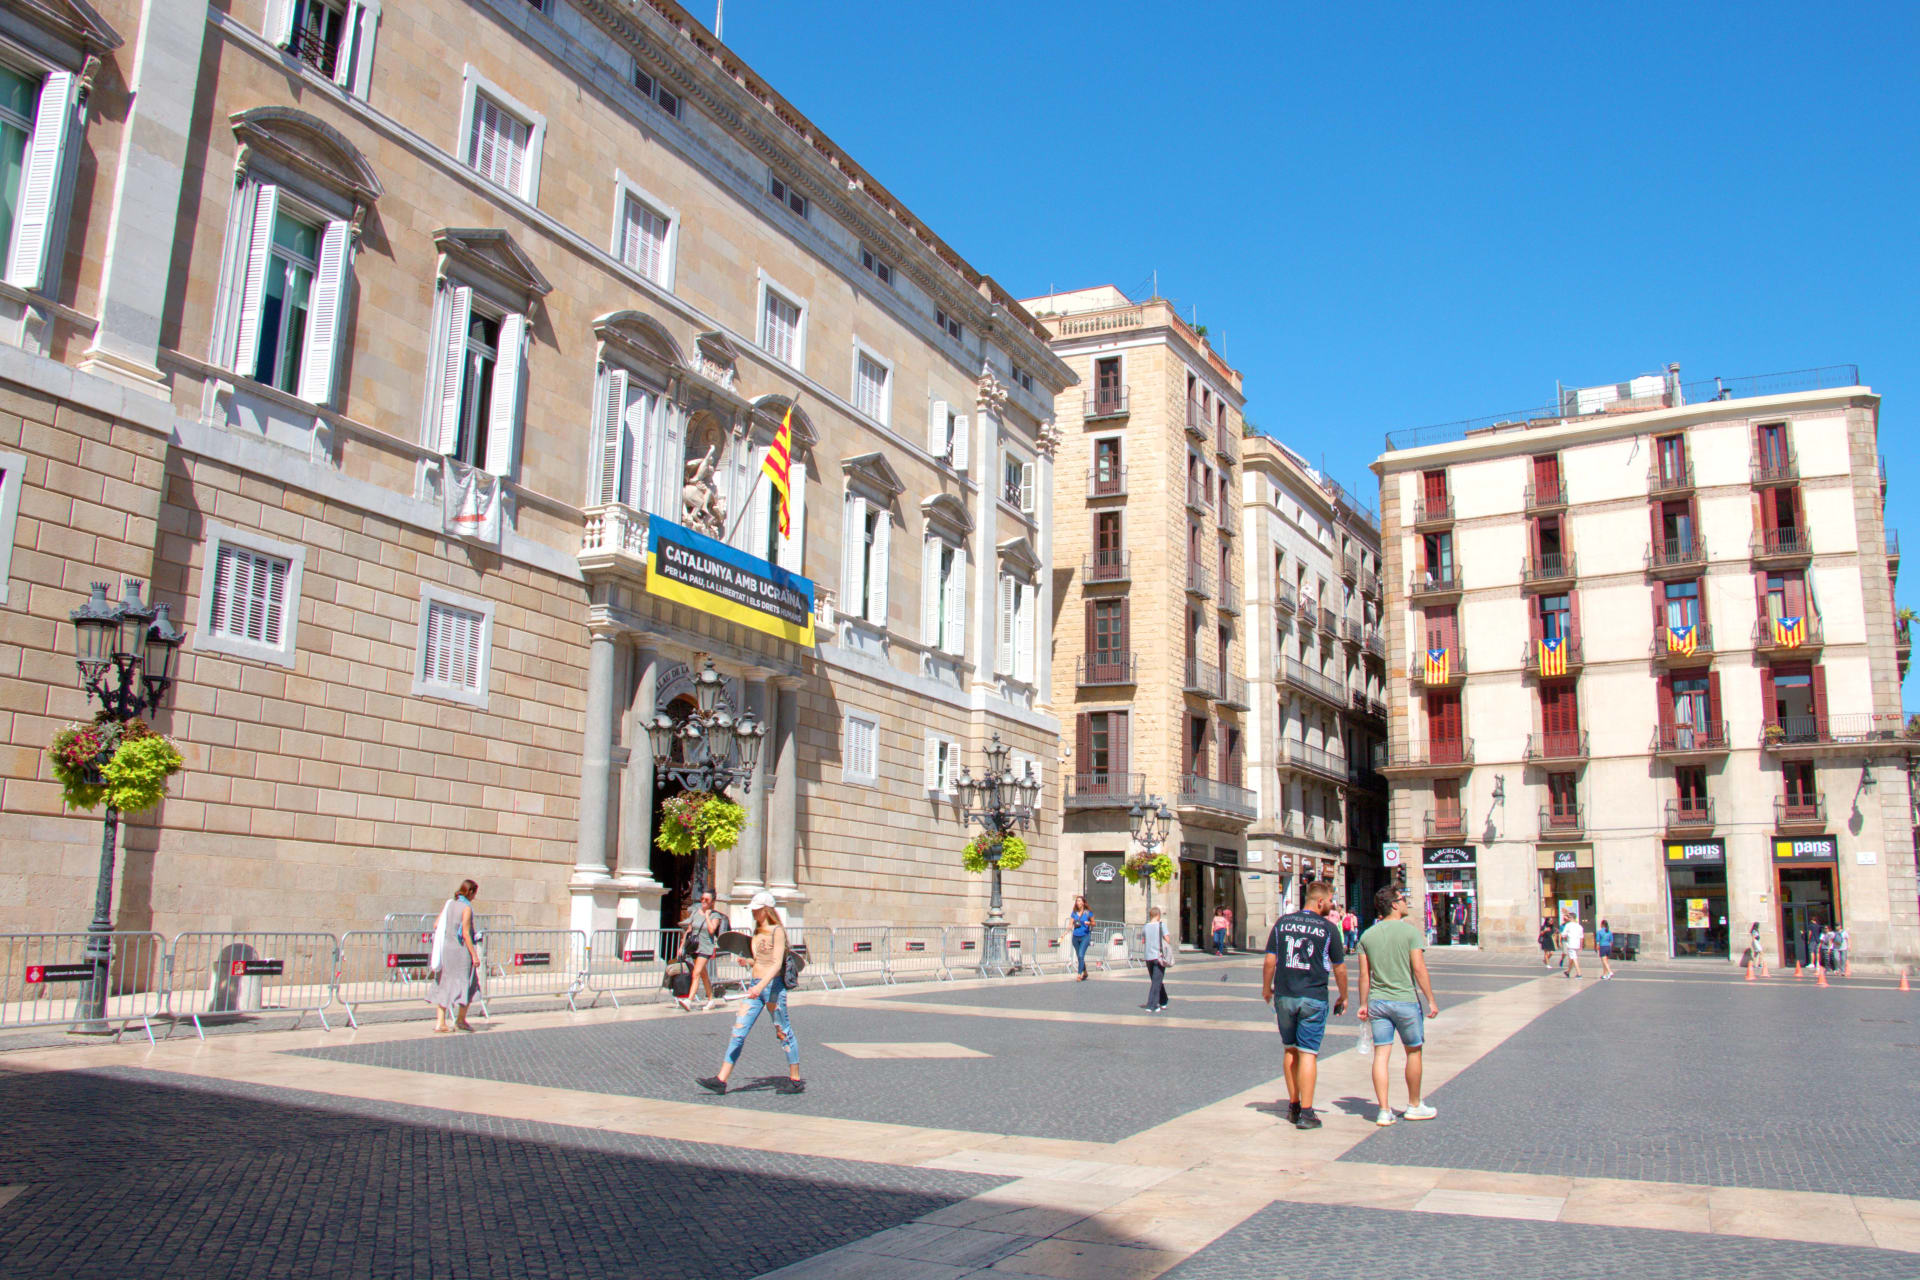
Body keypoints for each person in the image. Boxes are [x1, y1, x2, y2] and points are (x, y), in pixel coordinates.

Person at [1260, 880, 1348, 1131]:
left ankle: (1294, 1106)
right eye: (1329, 901)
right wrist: (1343, 995)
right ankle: (1308, 1113)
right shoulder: (1328, 928)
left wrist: (1266, 988)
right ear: (1319, 901)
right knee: (1308, 1052)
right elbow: (1340, 968)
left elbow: (1270, 961)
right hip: (1313, 996)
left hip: (1285, 995)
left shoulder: (1282, 923)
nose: (1331, 905)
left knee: (1290, 1050)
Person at [698, 892, 802, 1095]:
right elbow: (761, 960)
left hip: (772, 988)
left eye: (756, 910)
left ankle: (795, 1079)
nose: (753, 913)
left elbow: (776, 964)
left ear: (766, 910)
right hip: (756, 986)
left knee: (783, 1031)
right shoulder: (757, 932)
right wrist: (748, 962)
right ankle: (721, 1079)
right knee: (738, 1031)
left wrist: (760, 986)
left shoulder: (777, 931)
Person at [1356, 884, 1440, 1125]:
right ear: (1394, 905)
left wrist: (1363, 1003)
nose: (1405, 902)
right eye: (1402, 899)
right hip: (1405, 1001)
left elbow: (1364, 975)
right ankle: (1414, 1105)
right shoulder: (1410, 933)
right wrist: (1430, 999)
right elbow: (1419, 968)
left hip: (1378, 1002)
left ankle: (1383, 1110)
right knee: (1413, 1051)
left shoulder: (1367, 935)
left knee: (1381, 1054)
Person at [428, 879, 482, 1033]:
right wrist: (474, 955)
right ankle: (460, 1019)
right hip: (461, 951)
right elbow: (466, 933)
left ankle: (440, 1022)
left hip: (447, 950)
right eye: (475, 893)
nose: (475, 897)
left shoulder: (450, 904)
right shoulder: (466, 908)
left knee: (444, 983)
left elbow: (436, 924)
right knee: (468, 983)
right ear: (470, 892)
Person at [677, 890, 727, 1012]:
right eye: (702, 899)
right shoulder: (695, 912)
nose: (703, 901)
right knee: (704, 975)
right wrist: (682, 946)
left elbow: (711, 930)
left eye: (706, 900)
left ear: (712, 902)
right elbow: (689, 930)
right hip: (695, 947)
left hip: (706, 947)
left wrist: (707, 916)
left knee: (696, 973)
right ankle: (711, 1000)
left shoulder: (715, 916)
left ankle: (689, 1000)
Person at [1142, 907, 1172, 1011]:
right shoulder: (1161, 925)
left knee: (1155, 980)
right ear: (1158, 915)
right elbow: (1167, 939)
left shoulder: (1145, 926)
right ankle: (1152, 1005)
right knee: (1156, 981)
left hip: (1148, 956)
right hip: (1158, 956)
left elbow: (1144, 939)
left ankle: (1163, 1000)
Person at [1070, 896, 1095, 980]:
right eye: (1077, 901)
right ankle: (1085, 972)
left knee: (1081, 955)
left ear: (1083, 903)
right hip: (1075, 937)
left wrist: (1089, 923)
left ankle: (1079, 974)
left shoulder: (1088, 913)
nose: (1078, 902)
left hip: (1085, 936)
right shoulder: (1074, 913)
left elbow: (1094, 923)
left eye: (1079, 901)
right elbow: (1070, 923)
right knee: (1079, 956)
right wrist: (1069, 928)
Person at [1559, 911, 1584, 980]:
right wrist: (1581, 946)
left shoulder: (1568, 925)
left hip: (1571, 943)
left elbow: (1563, 934)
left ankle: (1579, 973)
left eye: (1569, 917)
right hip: (1577, 944)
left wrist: (1565, 937)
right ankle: (1568, 971)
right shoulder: (1579, 926)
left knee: (1574, 958)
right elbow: (1581, 937)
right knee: (1572, 958)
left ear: (1571, 918)